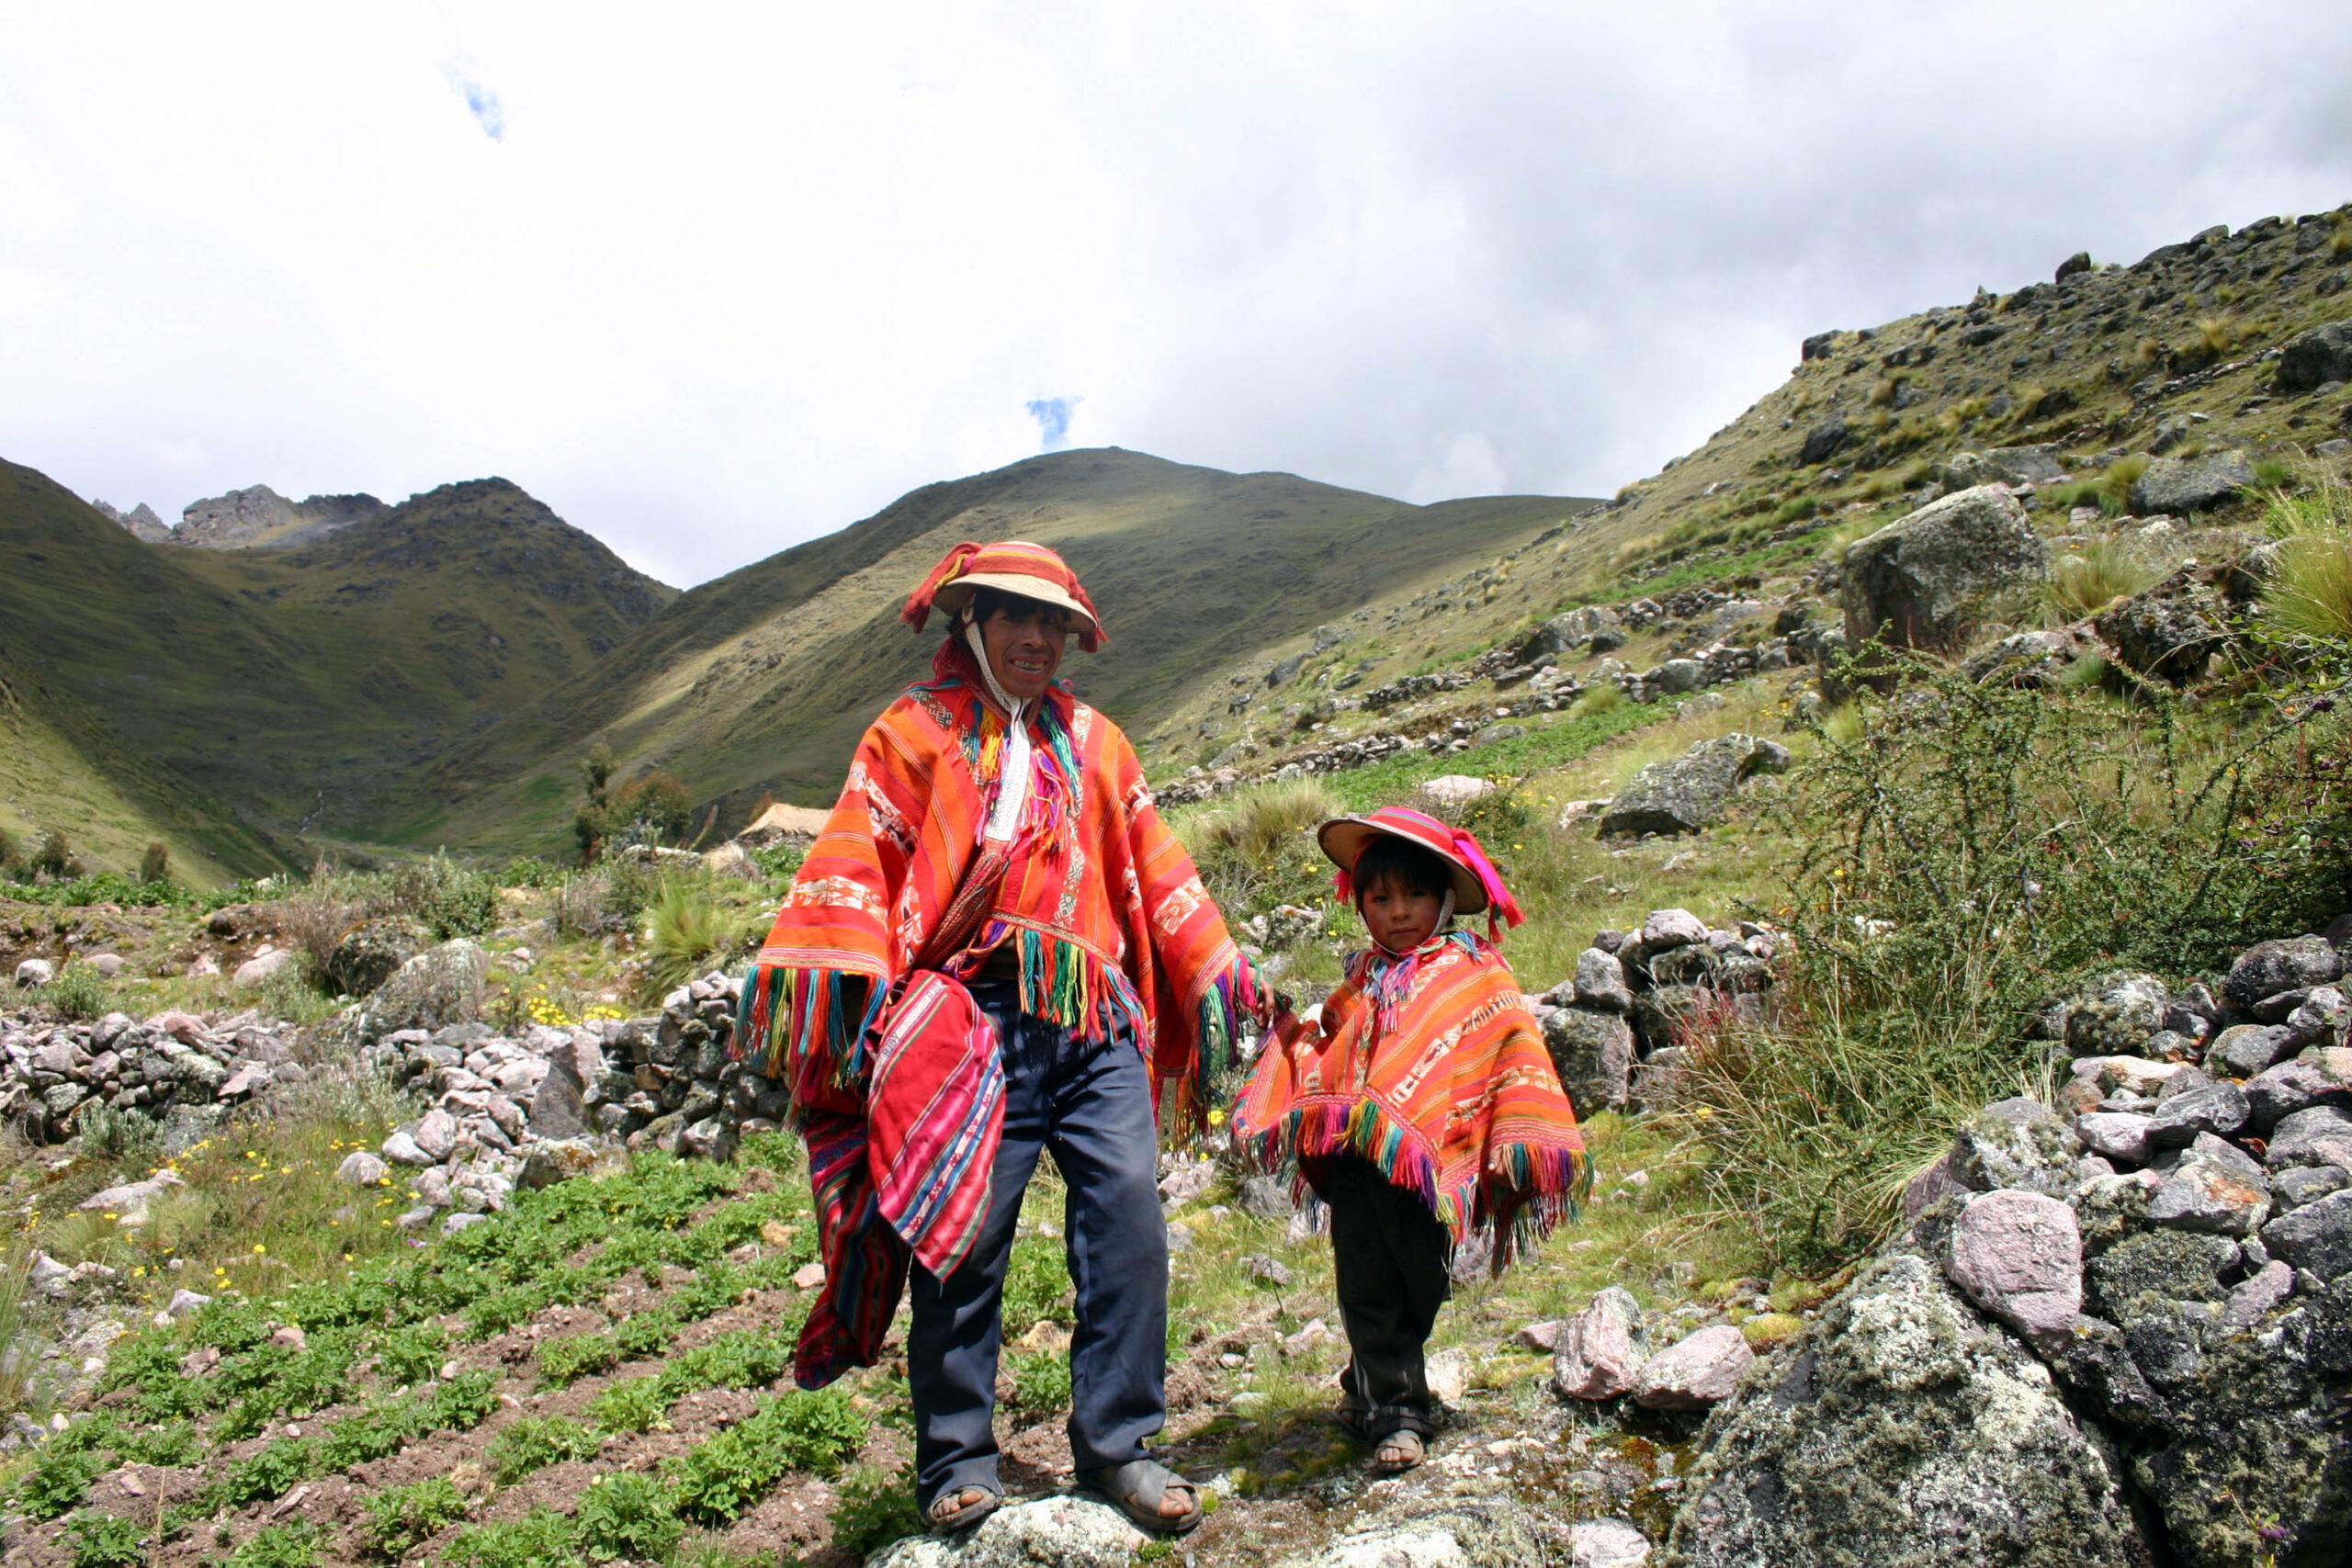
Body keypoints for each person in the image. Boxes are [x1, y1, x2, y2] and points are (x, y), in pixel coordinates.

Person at [738, 539, 1261, 1538]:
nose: (1035, 638)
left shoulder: (1100, 744)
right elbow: (860, 852)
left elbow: (1153, 866)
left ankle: (1120, 1445)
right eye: (1012, 619)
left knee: (1128, 1228)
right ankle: (956, 1460)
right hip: (970, 1026)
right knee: (961, 1241)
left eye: (1052, 623)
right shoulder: (910, 733)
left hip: (1094, 1020)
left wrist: (1216, 968)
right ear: (968, 623)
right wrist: (857, 998)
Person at [1231, 806, 1588, 1472]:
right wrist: (1290, 1038)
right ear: (1361, 905)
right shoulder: (1362, 977)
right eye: (1381, 897)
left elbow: (1509, 1047)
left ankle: (1366, 1379)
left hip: (1429, 1165)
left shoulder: (1472, 973)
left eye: (1416, 894)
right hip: (1361, 1164)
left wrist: (1508, 1132)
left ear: (1446, 897)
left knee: (1422, 1279)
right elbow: (1331, 1050)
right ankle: (1398, 1411)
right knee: (1366, 1275)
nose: (1399, 911)